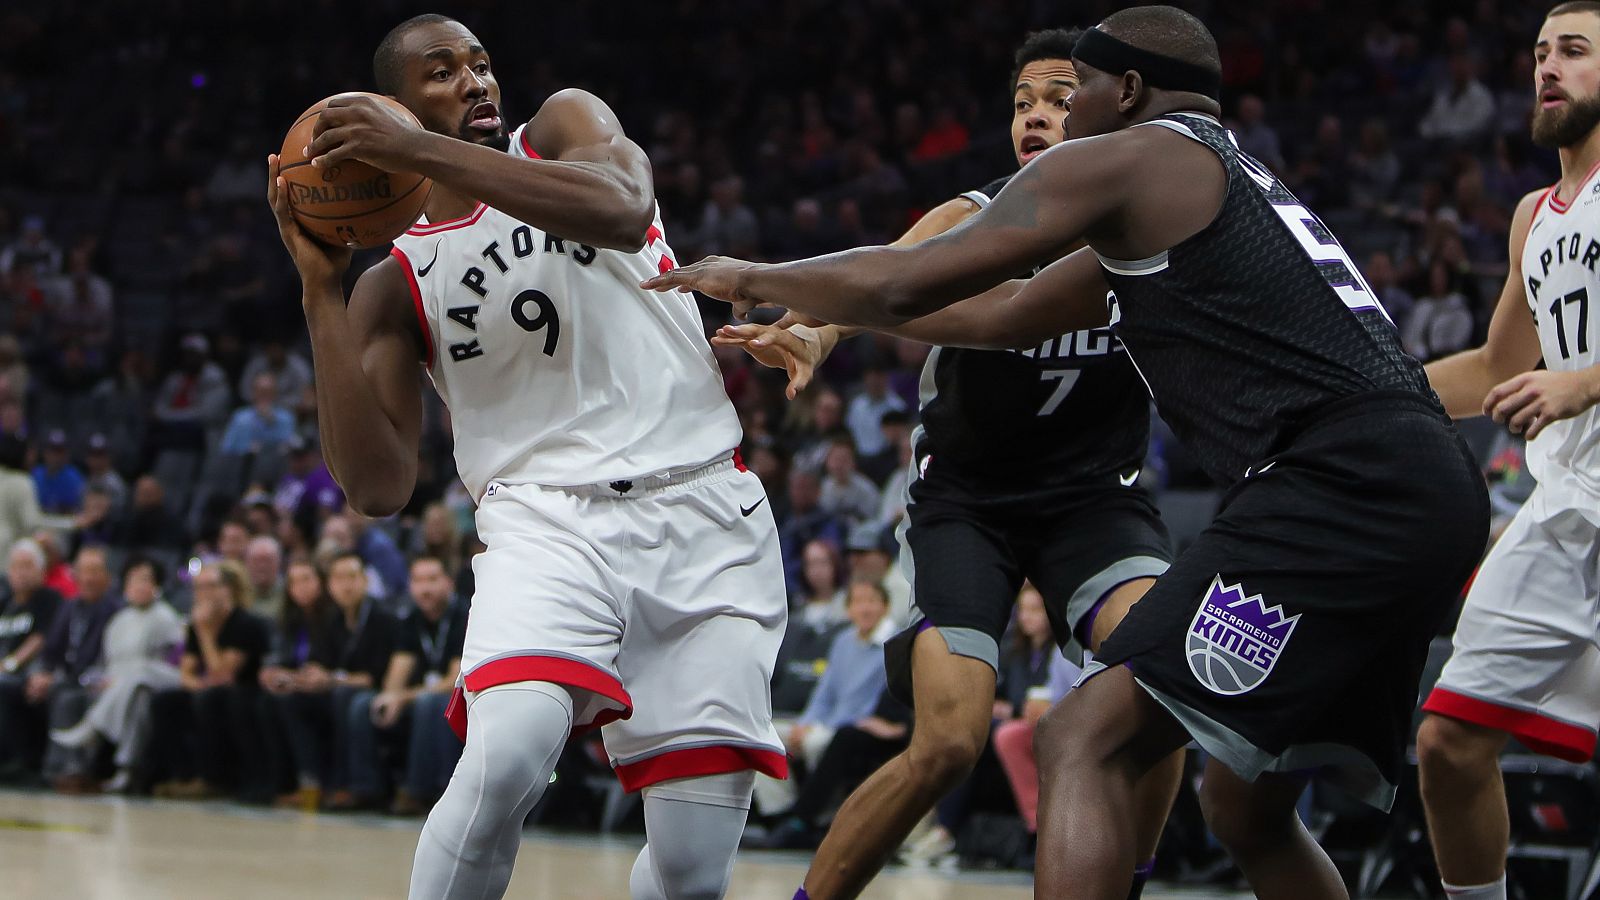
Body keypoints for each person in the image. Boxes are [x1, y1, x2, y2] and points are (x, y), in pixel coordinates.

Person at [644, 8, 1489, 899]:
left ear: (1123, 92)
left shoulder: (1133, 159)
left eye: (1072, 89)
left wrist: (751, 276)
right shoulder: (1214, 178)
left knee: (1082, 737)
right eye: (1028, 98)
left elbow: (901, 280)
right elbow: (999, 315)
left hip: (1320, 487)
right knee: (1246, 809)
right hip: (1424, 487)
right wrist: (821, 325)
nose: (1053, 113)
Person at [266, 14, 786, 899]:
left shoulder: (563, 132)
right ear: (396, 105)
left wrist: (424, 153)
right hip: (547, 524)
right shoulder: (394, 282)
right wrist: (322, 291)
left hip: (705, 512)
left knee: (694, 873)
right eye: (442, 73)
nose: (475, 82)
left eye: (480, 64)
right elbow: (379, 485)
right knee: (505, 757)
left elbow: (624, 213)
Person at [710, 28, 1179, 899]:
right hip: (969, 504)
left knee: (1165, 683)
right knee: (949, 744)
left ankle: (1131, 883)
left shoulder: (1155, 227)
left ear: (1113, 107)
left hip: (1093, 501)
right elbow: (887, 278)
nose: (1036, 117)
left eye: (1057, 99)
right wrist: (813, 330)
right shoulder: (976, 214)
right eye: (1022, 104)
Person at [1416, 7, 1600, 899]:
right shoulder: (1534, 214)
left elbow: (1562, 377)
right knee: (1448, 744)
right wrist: (1375, 392)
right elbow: (1497, 365)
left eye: (1573, 51)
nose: (1548, 70)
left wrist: (1588, 380)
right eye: (1539, 55)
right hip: (1565, 511)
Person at [49, 557, 184, 793]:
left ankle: (94, 730)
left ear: (157, 585)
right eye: (134, 580)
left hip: (160, 679)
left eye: (146, 580)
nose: (139, 586)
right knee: (129, 695)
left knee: (140, 674)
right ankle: (103, 769)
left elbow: (171, 660)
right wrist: (102, 679)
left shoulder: (166, 617)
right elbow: (106, 662)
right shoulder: (119, 621)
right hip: (123, 685)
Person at [347, 555, 467, 815]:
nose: (425, 588)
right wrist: (390, 697)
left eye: (432, 580)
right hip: (423, 696)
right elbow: (396, 675)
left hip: (460, 697)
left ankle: (417, 791)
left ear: (449, 583)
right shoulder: (411, 619)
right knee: (363, 704)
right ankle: (367, 788)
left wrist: (402, 698)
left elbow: (454, 680)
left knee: (429, 703)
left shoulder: (464, 616)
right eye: (418, 581)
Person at [149, 561, 272, 802]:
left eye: (210, 586)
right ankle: (182, 775)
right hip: (213, 690)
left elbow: (223, 675)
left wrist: (205, 632)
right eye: (199, 588)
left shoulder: (244, 623)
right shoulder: (198, 624)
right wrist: (200, 684)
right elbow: (186, 674)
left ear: (229, 589)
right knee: (165, 701)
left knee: (209, 699)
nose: (203, 594)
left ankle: (214, 778)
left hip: (246, 691)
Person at [30, 546, 121, 791]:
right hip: (68, 675)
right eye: (83, 571)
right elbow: (52, 650)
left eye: (95, 571)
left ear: (108, 577)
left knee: (68, 698)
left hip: (98, 677)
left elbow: (109, 656)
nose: (88, 578)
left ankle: (66, 769)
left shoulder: (115, 610)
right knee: (18, 689)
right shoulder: (69, 606)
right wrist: (42, 673)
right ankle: (23, 763)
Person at [258, 558, 343, 807]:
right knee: (265, 703)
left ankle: (311, 780)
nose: (300, 587)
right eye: (294, 582)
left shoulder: (333, 617)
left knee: (292, 704)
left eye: (306, 579)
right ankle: (280, 782)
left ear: (321, 582)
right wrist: (271, 674)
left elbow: (326, 666)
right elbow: (278, 659)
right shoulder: (289, 620)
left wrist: (297, 679)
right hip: (298, 687)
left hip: (327, 688)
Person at [0, 537, 63, 778]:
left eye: (28, 566)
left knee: (2, 687)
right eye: (16, 566)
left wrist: (11, 664)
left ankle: (15, 760)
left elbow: (41, 639)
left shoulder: (49, 599)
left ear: (41, 570)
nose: (21, 572)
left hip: (29, 672)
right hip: (6, 671)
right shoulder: (5, 602)